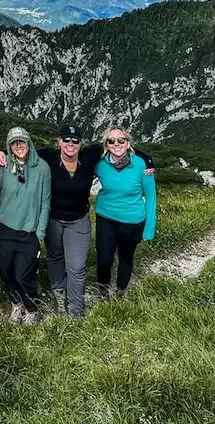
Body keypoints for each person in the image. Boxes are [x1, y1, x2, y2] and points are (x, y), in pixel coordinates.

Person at [38, 123, 155, 316]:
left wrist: (148, 159)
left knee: (114, 260)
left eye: (75, 140)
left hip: (118, 220)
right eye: (66, 139)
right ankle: (90, 293)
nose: (70, 143)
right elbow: (24, 152)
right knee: (97, 259)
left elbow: (150, 194)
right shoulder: (94, 163)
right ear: (59, 141)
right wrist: (1, 155)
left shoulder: (136, 165)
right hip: (90, 217)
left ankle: (94, 302)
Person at [0, 127, 51, 324]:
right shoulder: (3, 165)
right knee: (6, 272)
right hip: (2, 228)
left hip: (29, 231)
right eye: (14, 143)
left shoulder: (42, 168)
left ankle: (32, 308)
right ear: (9, 147)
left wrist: (39, 233)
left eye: (22, 141)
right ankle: (16, 304)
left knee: (24, 275)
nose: (19, 146)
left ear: (29, 143)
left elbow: (45, 203)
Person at [94, 125, 157, 296]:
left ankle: (121, 291)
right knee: (104, 260)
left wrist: (149, 229)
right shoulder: (100, 164)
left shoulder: (143, 165)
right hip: (105, 216)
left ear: (128, 143)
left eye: (121, 140)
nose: (116, 143)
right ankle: (103, 290)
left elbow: (151, 197)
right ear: (106, 145)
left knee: (126, 258)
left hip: (132, 220)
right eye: (111, 140)